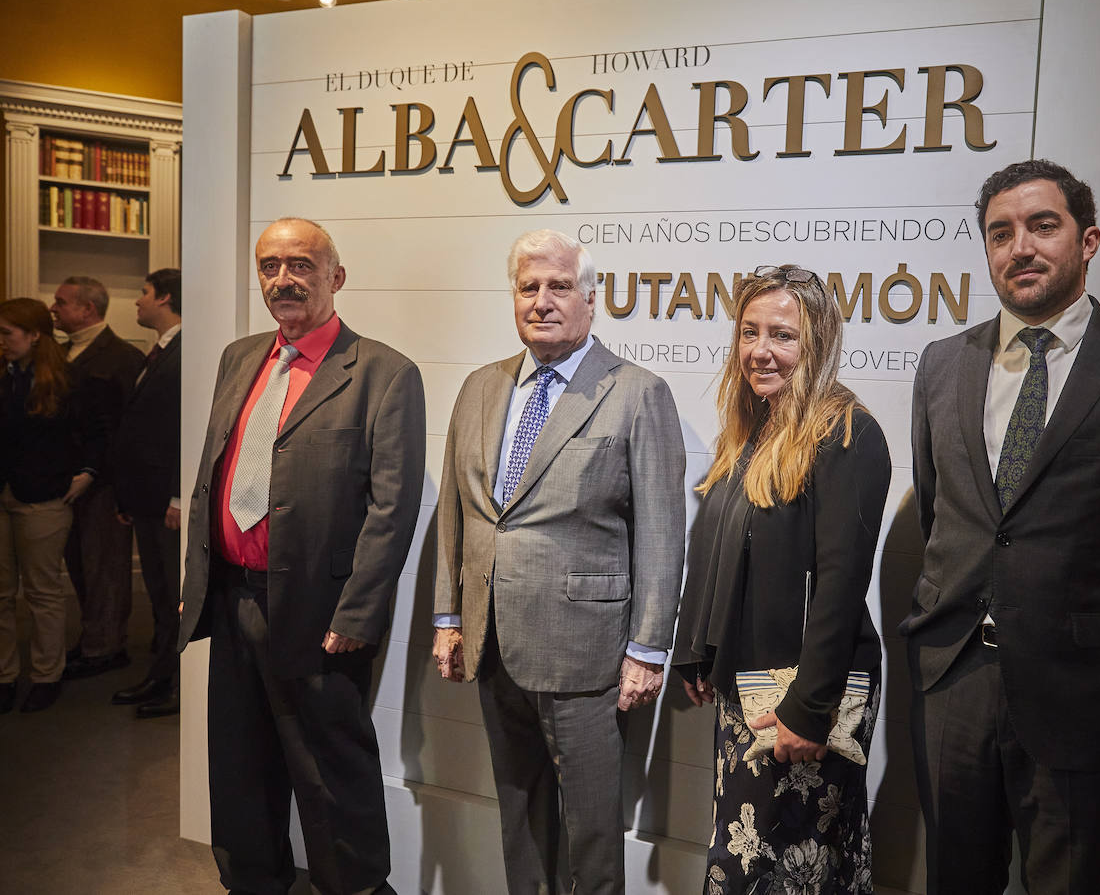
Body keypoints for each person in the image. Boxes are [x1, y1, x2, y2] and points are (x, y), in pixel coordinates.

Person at [902, 159, 1100, 894]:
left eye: (1043, 226)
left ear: (1089, 240)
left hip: (1087, 692)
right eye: (1000, 233)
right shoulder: (943, 365)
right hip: (954, 682)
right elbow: (939, 511)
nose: (1020, 247)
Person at [431, 228, 686, 895]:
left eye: (559, 286)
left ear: (591, 299)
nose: (542, 301)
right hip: (493, 642)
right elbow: (456, 512)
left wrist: (648, 650)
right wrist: (449, 617)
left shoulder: (636, 393)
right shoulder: (479, 388)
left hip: (587, 655)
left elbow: (662, 534)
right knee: (518, 816)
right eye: (529, 287)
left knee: (591, 833)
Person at [179, 218, 425, 894]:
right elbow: (213, 474)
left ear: (335, 277)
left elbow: (392, 510)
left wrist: (359, 613)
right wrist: (198, 579)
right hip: (233, 599)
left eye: (301, 265)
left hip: (323, 615)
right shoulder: (239, 357)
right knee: (239, 766)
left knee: (331, 776)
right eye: (270, 266)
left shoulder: (383, 372)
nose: (283, 280)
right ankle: (253, 882)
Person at [672, 265, 891, 894]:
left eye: (782, 335)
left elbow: (841, 586)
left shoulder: (847, 432)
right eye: (749, 332)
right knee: (745, 863)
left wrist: (809, 709)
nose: (760, 351)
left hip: (802, 698)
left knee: (794, 871)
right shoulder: (756, 428)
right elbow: (718, 548)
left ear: (816, 343)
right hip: (750, 687)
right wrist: (700, 651)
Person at [0, 298, 108, 713]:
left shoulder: (67, 380)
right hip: (3, 495)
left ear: (34, 335)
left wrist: (88, 474)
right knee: (1, 594)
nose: (2, 341)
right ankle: (5, 676)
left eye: (7, 333)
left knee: (43, 592)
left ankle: (47, 675)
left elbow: (97, 433)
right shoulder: (4, 376)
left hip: (44, 498)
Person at [50, 276, 144, 680]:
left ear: (87, 309)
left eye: (61, 302)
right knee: (78, 564)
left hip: (105, 483)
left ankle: (106, 647)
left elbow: (127, 428)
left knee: (104, 566)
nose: (53, 308)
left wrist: (103, 476)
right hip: (64, 479)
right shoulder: (57, 353)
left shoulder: (123, 357)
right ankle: (93, 637)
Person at [110, 268, 182, 718]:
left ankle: (174, 684)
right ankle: (160, 675)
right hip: (146, 498)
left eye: (144, 293)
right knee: (158, 594)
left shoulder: (186, 351)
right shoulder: (157, 352)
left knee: (173, 595)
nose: (138, 301)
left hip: (166, 500)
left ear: (166, 298)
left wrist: (178, 496)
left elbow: (185, 429)